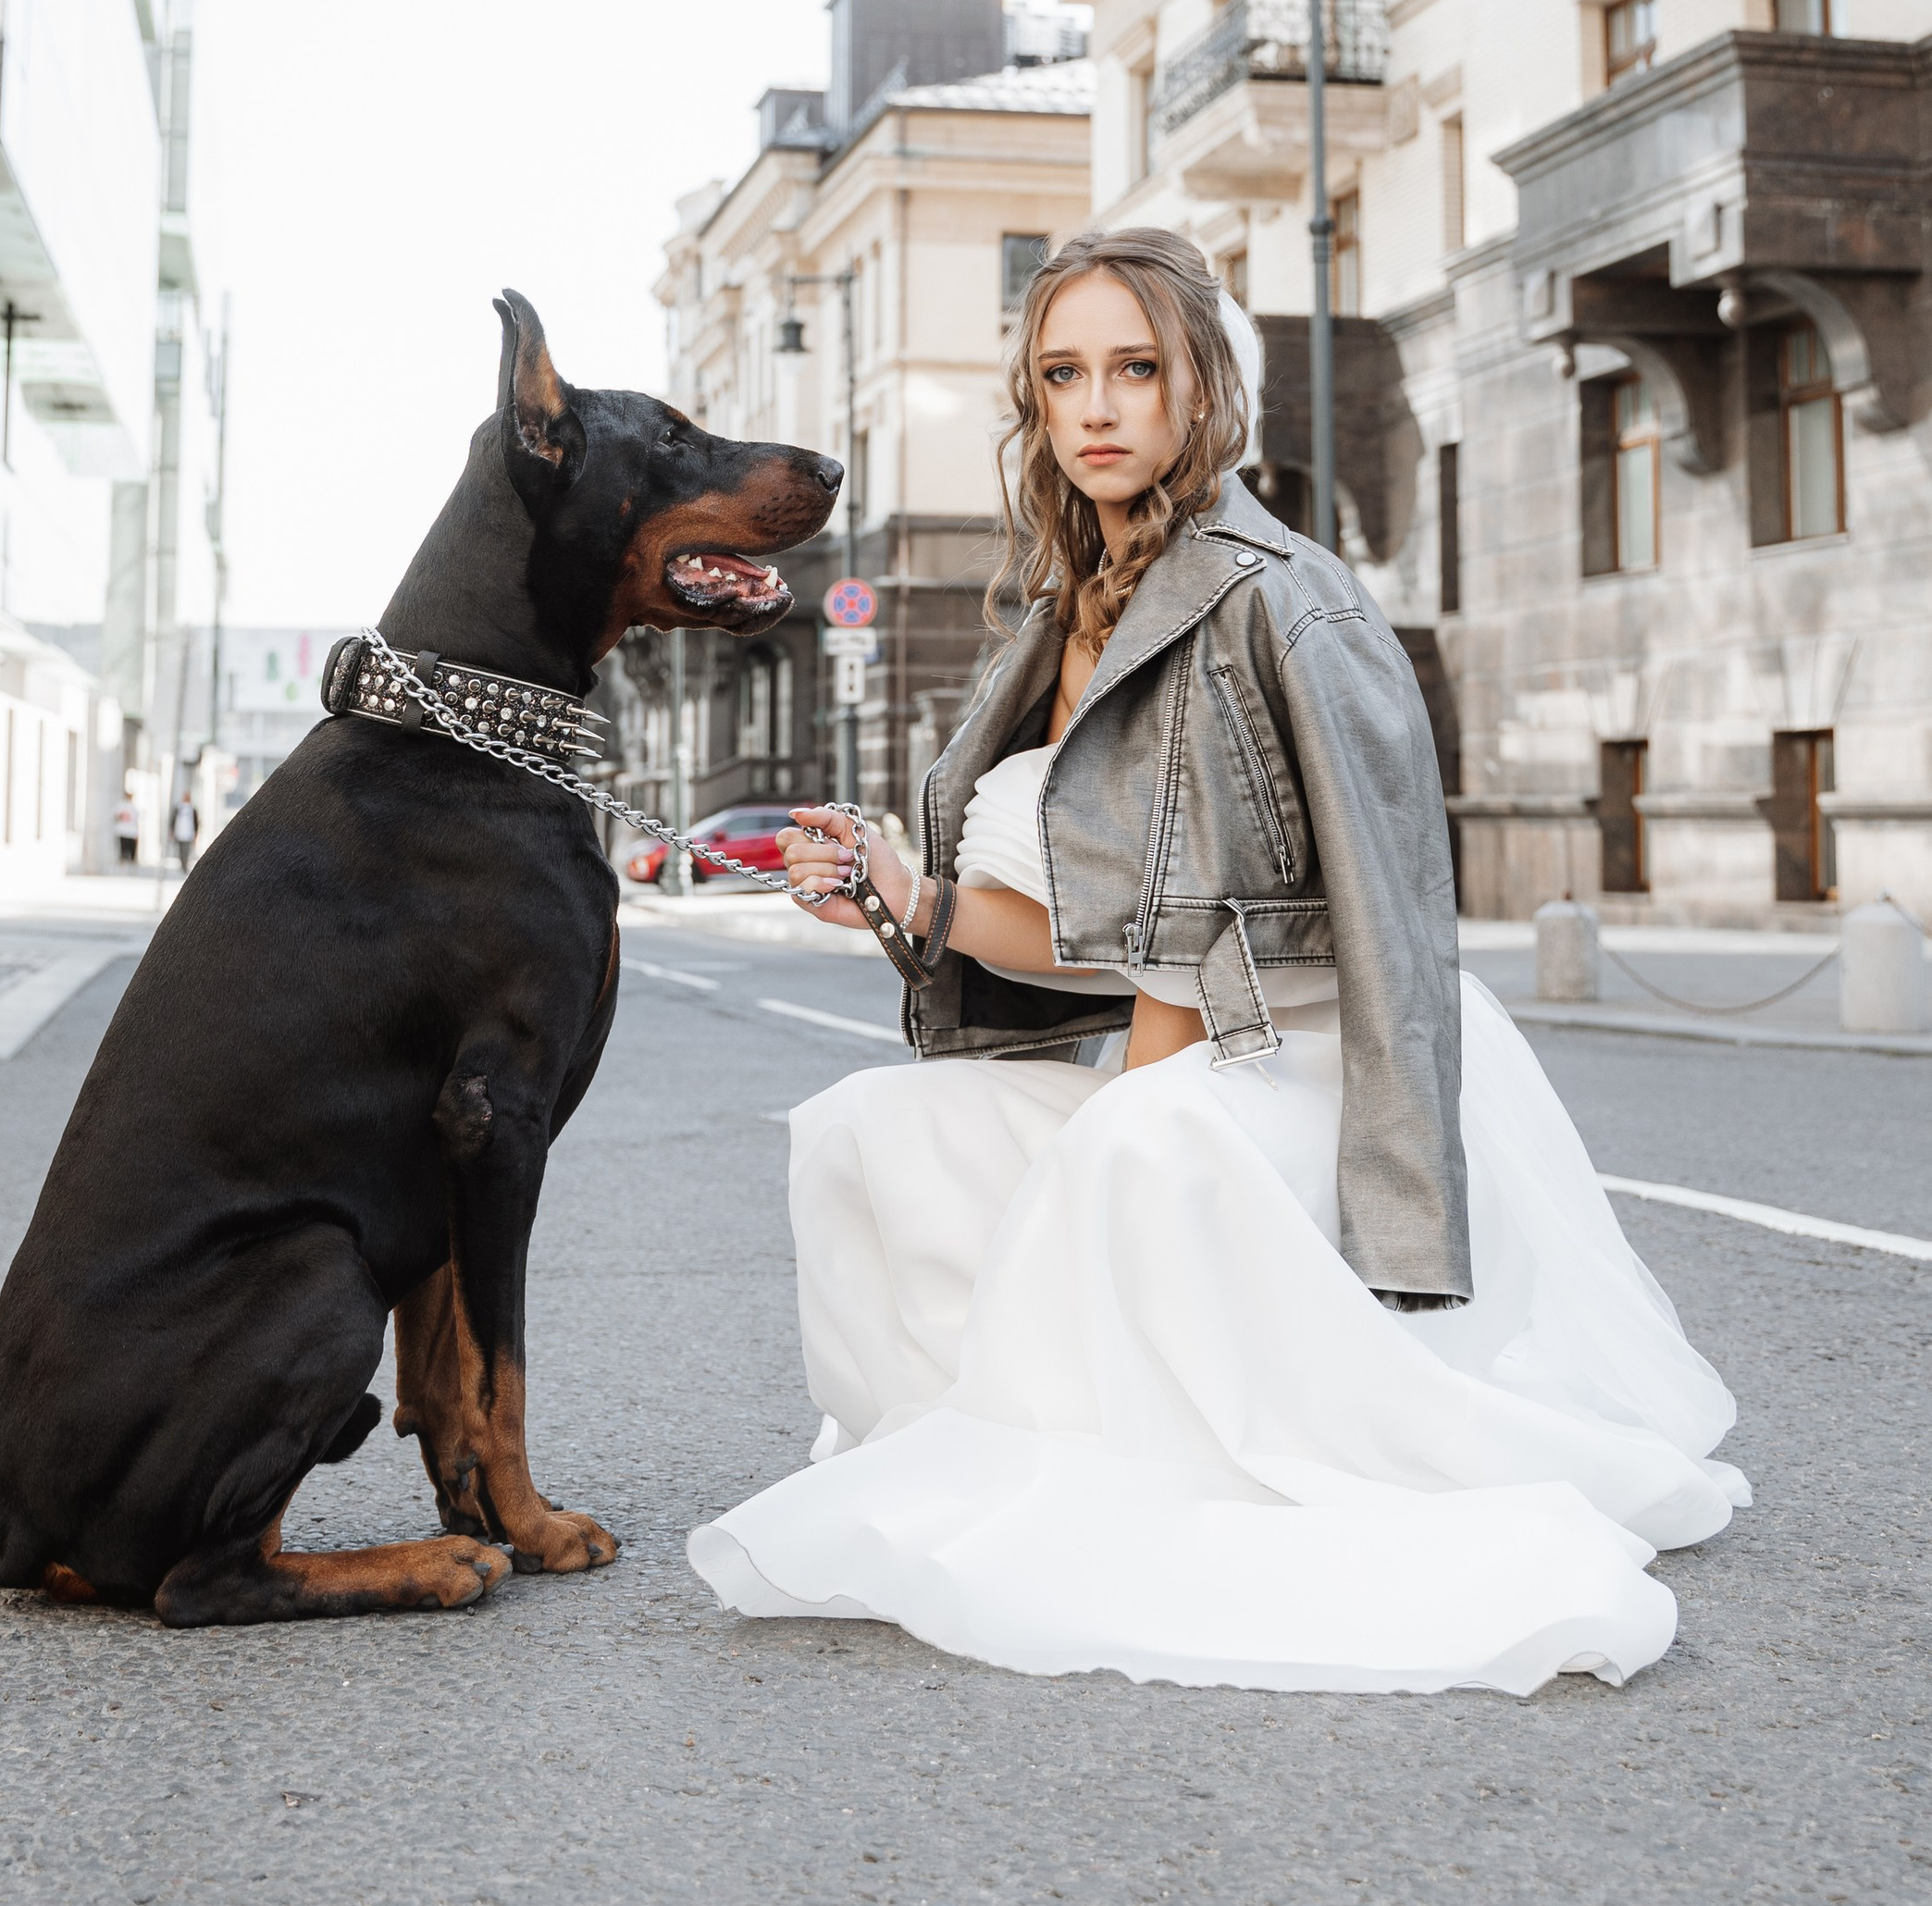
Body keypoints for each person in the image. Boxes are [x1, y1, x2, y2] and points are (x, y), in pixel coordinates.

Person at [688, 226, 1745, 1697]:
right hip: (1181, 1052)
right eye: (1065, 374)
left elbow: (1396, 917)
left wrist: (1400, 1211)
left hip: (1322, 1059)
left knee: (1142, 1143)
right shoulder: (1053, 616)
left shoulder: (1285, 598)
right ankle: (999, 1436)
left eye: (1139, 368)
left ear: (1206, 391)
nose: (1100, 405)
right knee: (871, 1132)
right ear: (1035, 403)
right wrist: (907, 896)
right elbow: (1108, 944)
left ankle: (1131, 1467)